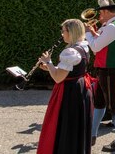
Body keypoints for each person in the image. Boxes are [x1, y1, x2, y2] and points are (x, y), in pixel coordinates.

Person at [37, 19, 93, 154]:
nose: (62, 34)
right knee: (77, 125)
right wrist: (51, 68)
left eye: (63, 31)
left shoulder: (69, 52)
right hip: (81, 89)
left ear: (71, 32)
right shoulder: (84, 46)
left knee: (67, 126)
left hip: (70, 92)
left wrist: (48, 62)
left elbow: (58, 77)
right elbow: (70, 70)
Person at [86, 0, 115, 152]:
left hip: (110, 69)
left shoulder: (112, 26)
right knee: (99, 102)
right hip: (106, 68)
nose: (98, 16)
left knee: (114, 105)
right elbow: (106, 42)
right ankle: (91, 135)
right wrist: (94, 33)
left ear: (107, 11)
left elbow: (96, 47)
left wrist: (87, 34)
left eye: (101, 13)